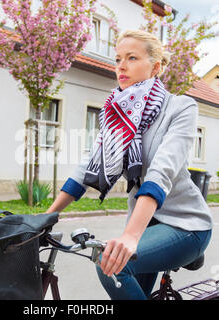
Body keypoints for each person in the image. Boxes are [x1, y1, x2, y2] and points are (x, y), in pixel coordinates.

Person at [46, 30, 212, 300]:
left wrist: (131, 237)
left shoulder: (180, 108)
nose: (121, 66)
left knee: (111, 266)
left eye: (132, 58)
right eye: (118, 59)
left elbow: (160, 172)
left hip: (186, 225)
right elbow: (87, 166)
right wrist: (46, 217)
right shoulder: (116, 113)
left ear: (156, 67)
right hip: (146, 225)